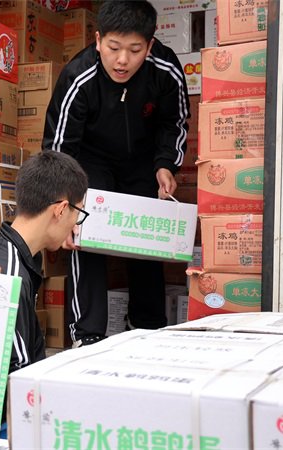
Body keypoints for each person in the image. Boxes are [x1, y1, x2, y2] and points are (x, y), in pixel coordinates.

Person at [42, 0, 190, 346]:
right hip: (89, 162)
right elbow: (59, 147)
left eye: (135, 50)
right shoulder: (78, 76)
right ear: (98, 41)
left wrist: (166, 164)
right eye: (113, 48)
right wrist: (66, 202)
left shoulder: (166, 69)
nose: (122, 60)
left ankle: (147, 328)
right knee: (85, 231)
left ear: (149, 46)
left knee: (146, 239)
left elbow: (175, 122)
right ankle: (87, 335)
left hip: (143, 161)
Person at [0, 151, 89, 435]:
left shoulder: (5, 254)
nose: (76, 225)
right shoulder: (8, 272)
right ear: (61, 210)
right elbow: (20, 378)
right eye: (79, 214)